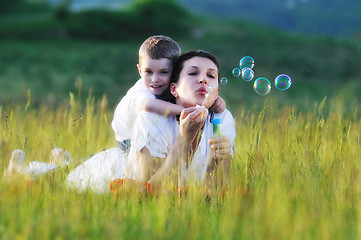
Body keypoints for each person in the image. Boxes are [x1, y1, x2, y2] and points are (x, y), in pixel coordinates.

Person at [66, 50, 235, 194]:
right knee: (52, 174)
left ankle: (62, 158)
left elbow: (217, 190)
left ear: (217, 91)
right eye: (193, 73)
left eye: (211, 75)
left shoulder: (222, 119)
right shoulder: (152, 119)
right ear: (174, 89)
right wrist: (184, 140)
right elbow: (151, 191)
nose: (203, 80)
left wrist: (220, 160)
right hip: (99, 176)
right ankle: (61, 160)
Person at [111, 35, 226, 150]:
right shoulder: (142, 90)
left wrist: (214, 101)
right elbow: (148, 105)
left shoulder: (170, 85)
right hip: (126, 138)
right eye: (148, 72)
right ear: (140, 70)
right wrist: (186, 111)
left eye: (163, 72)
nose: (155, 79)